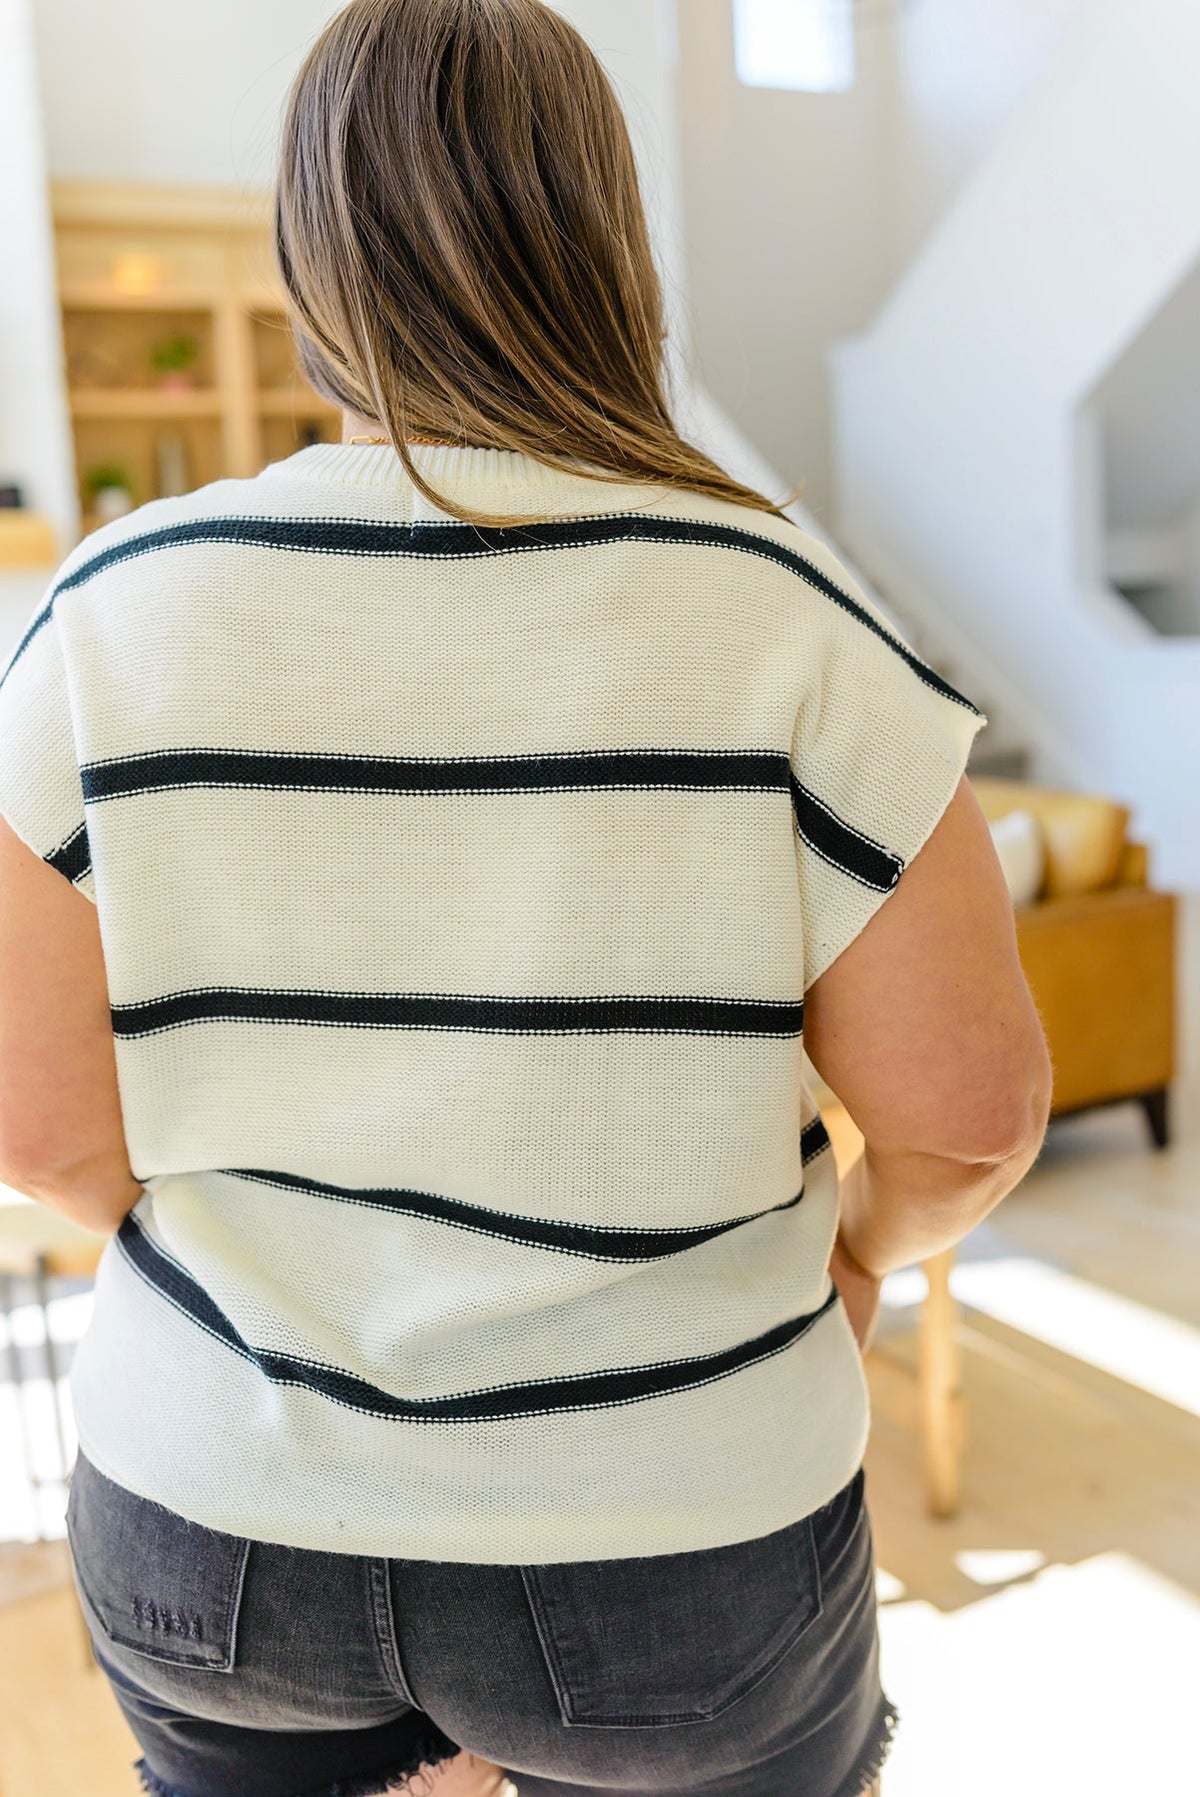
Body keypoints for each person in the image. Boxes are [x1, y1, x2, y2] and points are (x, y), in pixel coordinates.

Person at [0, 2, 1051, 1794]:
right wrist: (859, 1255)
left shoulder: (113, 610)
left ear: (308, 258)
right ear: (611, 248)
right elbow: (970, 1113)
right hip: (678, 1542)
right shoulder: (783, 604)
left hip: (217, 1525)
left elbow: (34, 1116)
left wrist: (245, 1291)